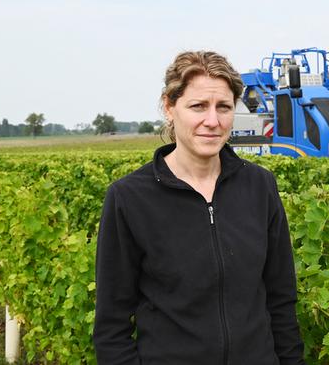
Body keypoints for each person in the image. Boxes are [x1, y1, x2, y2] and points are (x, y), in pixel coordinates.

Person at [93, 51, 305, 364]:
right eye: (198, 107)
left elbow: (281, 300)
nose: (213, 121)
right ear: (169, 107)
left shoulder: (260, 186)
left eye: (224, 107)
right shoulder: (129, 199)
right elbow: (112, 325)